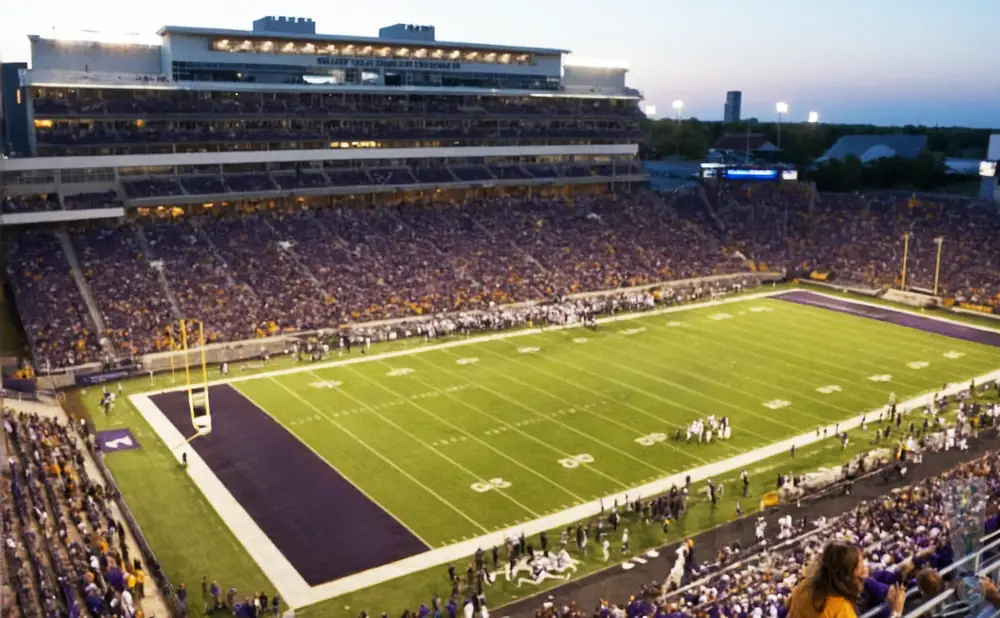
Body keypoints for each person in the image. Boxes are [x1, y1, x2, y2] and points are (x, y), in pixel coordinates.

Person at [786, 542, 904, 618]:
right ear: (848, 576)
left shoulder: (804, 587)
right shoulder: (841, 610)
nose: (865, 572)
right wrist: (895, 612)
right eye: (861, 568)